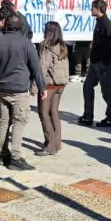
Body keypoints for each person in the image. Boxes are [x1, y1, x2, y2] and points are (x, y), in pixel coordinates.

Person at [0, 14, 46, 169]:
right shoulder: (27, 43)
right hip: (19, 89)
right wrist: (42, 88)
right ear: (20, 27)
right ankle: (15, 156)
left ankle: (3, 154)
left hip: (2, 88)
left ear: (5, 25)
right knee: (20, 122)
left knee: (4, 122)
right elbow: (36, 68)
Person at [78, 0, 111, 127]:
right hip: (95, 63)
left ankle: (110, 117)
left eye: (92, 7)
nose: (91, 10)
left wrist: (106, 63)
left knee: (107, 91)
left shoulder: (107, 25)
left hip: (103, 64)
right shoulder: (99, 22)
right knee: (87, 86)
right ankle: (88, 116)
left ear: (98, 9)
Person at [36, 21, 69, 156]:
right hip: (61, 84)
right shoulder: (62, 46)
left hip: (49, 84)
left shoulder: (47, 47)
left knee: (44, 114)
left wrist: (34, 87)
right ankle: (56, 142)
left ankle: (50, 145)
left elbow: (42, 68)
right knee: (54, 112)